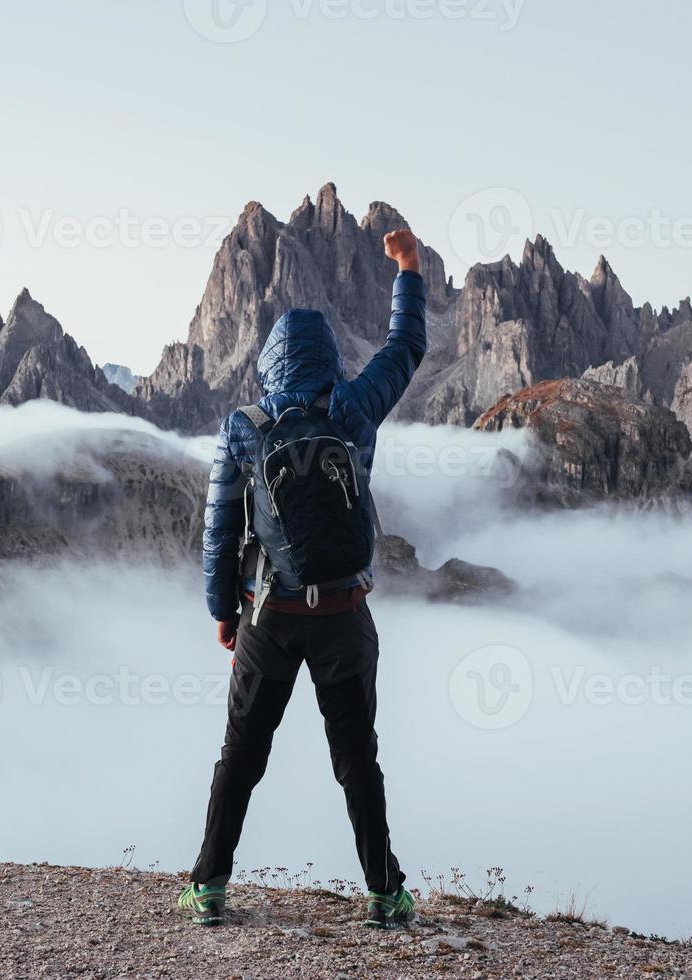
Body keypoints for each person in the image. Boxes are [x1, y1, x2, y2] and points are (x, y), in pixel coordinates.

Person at [178, 228, 426, 929]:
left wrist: (222, 610)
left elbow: (221, 526)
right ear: (330, 359)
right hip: (345, 615)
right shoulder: (354, 409)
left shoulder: (244, 426)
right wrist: (407, 267)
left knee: (241, 754)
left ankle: (208, 887)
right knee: (357, 760)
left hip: (269, 615)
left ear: (267, 363)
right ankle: (384, 894)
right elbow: (406, 348)